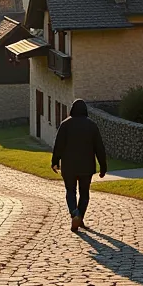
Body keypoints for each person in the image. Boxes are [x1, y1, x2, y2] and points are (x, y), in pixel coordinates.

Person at [50, 99, 107, 233]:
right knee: (84, 193)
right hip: (86, 167)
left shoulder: (65, 125)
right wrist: (103, 167)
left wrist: (54, 162)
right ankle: (79, 216)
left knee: (70, 191)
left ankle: (75, 213)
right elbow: (99, 148)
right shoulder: (92, 126)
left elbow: (58, 145)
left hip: (68, 166)